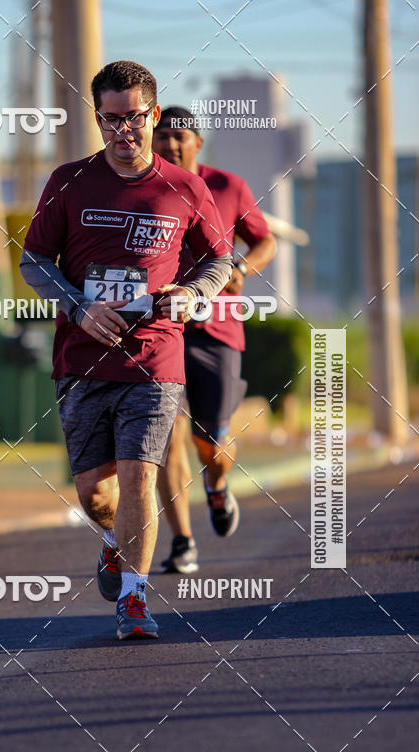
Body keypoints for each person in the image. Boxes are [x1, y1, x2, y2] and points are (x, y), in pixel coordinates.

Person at [20, 63, 232, 639]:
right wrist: (79, 306)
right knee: (96, 495)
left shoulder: (184, 188)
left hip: (155, 357)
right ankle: (112, 541)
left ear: (153, 115)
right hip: (82, 360)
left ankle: (135, 600)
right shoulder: (69, 181)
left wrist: (192, 293)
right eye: (111, 120)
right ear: (98, 119)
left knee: (141, 475)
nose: (123, 131)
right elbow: (33, 261)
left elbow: (220, 258)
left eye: (134, 118)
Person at [153, 107, 277, 573]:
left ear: (198, 142)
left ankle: (218, 485)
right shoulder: (143, 188)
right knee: (167, 437)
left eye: (179, 136)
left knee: (213, 444)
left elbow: (264, 240)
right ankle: (183, 540)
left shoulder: (227, 186)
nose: (169, 144)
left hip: (217, 329)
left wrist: (242, 268)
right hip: (160, 330)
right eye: (161, 135)